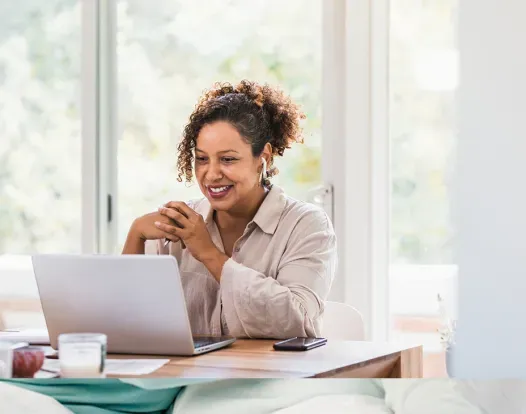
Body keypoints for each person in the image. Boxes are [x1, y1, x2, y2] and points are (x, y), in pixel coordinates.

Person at [122, 80, 337, 339]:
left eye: (228, 159)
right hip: (186, 377)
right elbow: (124, 322)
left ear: (263, 159)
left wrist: (209, 254)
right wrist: (136, 235)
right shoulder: (176, 224)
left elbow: (297, 321)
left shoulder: (306, 225)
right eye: (202, 159)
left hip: (272, 376)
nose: (211, 174)